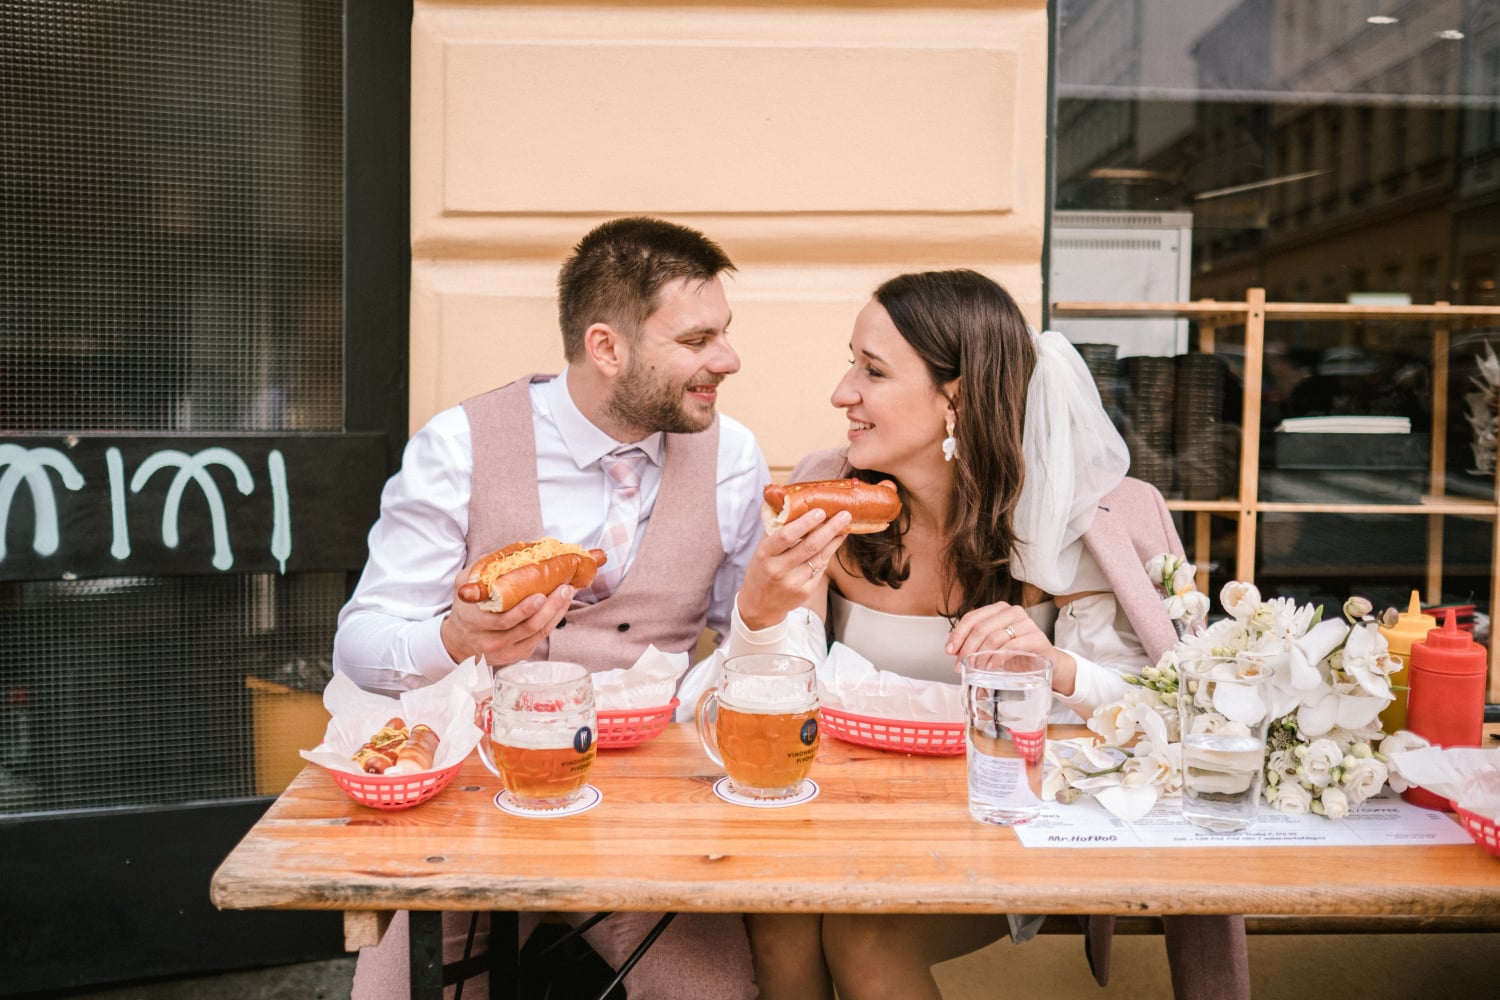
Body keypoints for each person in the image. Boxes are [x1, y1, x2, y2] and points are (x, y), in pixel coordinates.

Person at [727, 269, 1250, 1000]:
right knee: (779, 920)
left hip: (1014, 814)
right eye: (851, 363)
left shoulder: (1088, 522)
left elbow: (1178, 717)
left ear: (959, 396)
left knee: (866, 934)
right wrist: (756, 617)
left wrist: (1057, 665)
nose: (843, 392)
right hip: (850, 815)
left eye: (872, 371)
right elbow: (764, 704)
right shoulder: (825, 496)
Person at [335, 216, 767, 1000]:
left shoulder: (732, 456)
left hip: (653, 817)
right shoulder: (459, 445)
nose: (728, 360)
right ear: (607, 347)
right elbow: (360, 645)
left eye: (724, 334)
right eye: (699, 339)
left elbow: (752, 653)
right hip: (482, 802)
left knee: (717, 995)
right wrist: (453, 637)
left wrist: (779, 605)